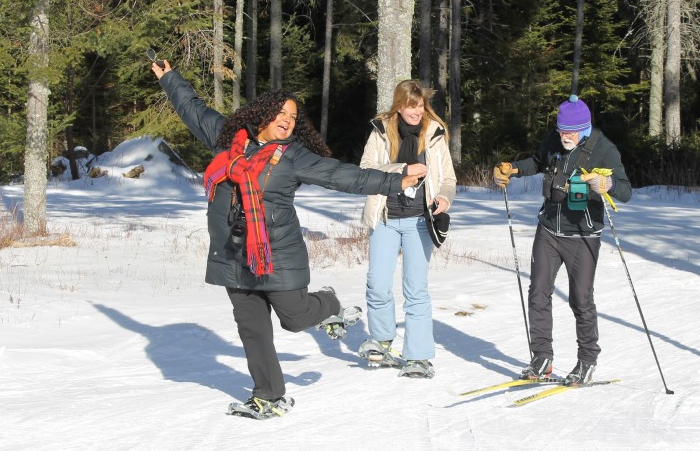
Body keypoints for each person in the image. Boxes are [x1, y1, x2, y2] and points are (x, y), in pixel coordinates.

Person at [152, 60, 426, 419]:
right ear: (261, 114)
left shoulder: (292, 157)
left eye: (293, 117)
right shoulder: (225, 140)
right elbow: (193, 110)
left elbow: (344, 177)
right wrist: (171, 79)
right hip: (233, 255)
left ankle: (328, 304)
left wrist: (395, 181)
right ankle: (269, 395)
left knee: (295, 319)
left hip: (276, 255)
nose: (287, 120)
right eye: (281, 112)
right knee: (252, 330)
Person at [493, 94, 631, 386]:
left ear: (584, 128)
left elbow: (626, 190)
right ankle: (542, 358)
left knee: (581, 300)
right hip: (548, 229)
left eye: (570, 132)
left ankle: (587, 361)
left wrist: (607, 184)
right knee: (538, 293)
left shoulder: (603, 149)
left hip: (583, 234)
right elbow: (538, 161)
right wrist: (513, 170)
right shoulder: (556, 141)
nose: (564, 136)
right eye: (560, 131)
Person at [357, 80, 457, 378]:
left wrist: (443, 197)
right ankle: (383, 340)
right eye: (411, 106)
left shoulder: (435, 135)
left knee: (415, 289)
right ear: (399, 105)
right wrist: (403, 169)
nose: (417, 112)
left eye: (420, 106)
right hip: (385, 217)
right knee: (377, 284)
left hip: (419, 222)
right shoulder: (381, 131)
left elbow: (449, 180)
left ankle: (418, 356)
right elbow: (365, 170)